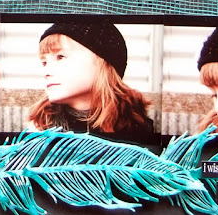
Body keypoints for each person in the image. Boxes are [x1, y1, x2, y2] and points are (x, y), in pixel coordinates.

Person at [27, 20, 155, 142]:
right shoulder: (38, 130)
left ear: (102, 62)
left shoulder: (137, 131)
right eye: (44, 62)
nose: (46, 72)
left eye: (60, 57)